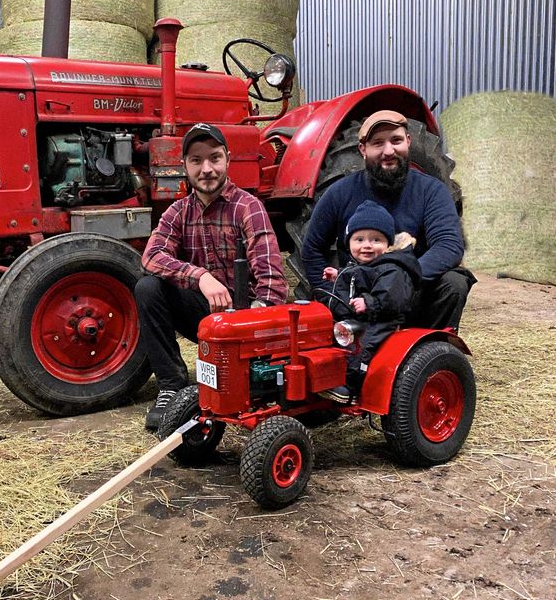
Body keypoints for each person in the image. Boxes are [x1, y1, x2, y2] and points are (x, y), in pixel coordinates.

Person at [136, 122, 288, 430]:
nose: (207, 169)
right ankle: (171, 385)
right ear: (185, 166)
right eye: (196, 160)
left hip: (246, 321)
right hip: (207, 319)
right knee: (147, 288)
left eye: (214, 158)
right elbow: (151, 257)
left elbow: (272, 281)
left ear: (228, 160)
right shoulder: (177, 212)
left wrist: (257, 324)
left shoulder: (249, 208)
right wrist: (200, 277)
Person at [301, 109, 475, 330]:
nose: (388, 151)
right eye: (378, 143)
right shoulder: (339, 193)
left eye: (396, 140)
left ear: (408, 142)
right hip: (359, 298)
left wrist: (397, 282)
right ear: (363, 150)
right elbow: (312, 249)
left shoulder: (431, 191)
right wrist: (331, 300)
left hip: (413, 292)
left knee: (454, 282)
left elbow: (448, 245)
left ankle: (429, 350)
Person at [318, 200, 422, 404]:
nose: (366, 245)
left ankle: (350, 386)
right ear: (349, 243)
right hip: (354, 317)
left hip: (381, 320)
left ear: (387, 244)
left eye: (376, 240)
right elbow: (358, 278)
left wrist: (370, 302)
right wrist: (338, 275)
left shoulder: (393, 268)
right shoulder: (358, 265)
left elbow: (392, 298)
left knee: (359, 347)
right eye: (359, 239)